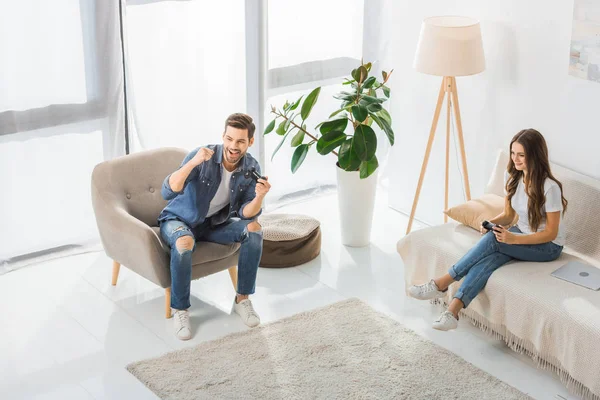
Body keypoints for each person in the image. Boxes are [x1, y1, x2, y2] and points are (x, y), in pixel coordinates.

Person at [408, 129, 568, 331]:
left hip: (548, 246)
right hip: (521, 233)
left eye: (521, 155)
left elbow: (551, 233)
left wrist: (512, 239)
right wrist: (490, 222)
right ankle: (452, 312)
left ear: (534, 156)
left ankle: (441, 282)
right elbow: (509, 216)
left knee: (495, 241)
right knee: (490, 258)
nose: (515, 159)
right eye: (513, 153)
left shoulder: (549, 187)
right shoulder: (514, 179)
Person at [158, 113, 270, 340]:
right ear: (223, 136)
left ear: (250, 142)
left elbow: (245, 213)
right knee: (184, 242)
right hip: (178, 220)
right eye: (229, 139)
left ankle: (243, 299)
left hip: (212, 225)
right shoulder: (203, 156)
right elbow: (167, 191)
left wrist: (259, 197)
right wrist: (193, 162)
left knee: (255, 229)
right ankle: (180, 310)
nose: (233, 146)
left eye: (240, 141)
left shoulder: (251, 167)